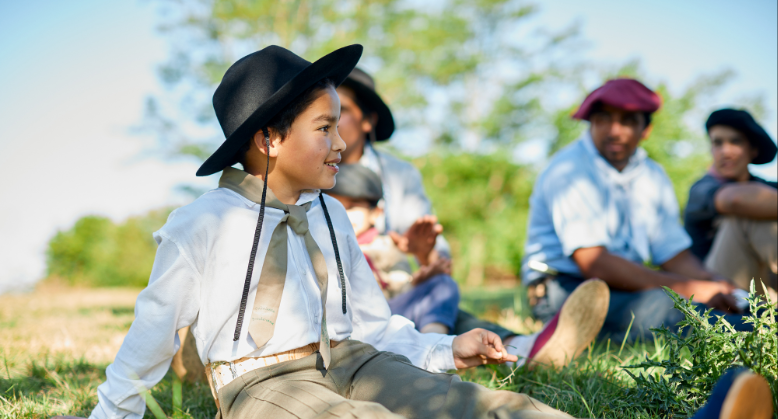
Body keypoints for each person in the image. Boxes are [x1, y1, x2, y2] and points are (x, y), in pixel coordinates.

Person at [51, 47, 774, 419]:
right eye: (325, 127)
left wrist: (442, 347)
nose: (342, 143)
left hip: (358, 353)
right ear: (269, 139)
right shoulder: (201, 223)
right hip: (264, 384)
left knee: (489, 407)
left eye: (342, 125)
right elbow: (147, 336)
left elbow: (374, 322)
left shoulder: (332, 215)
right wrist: (112, 411)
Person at [523, 78, 753, 342]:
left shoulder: (652, 175)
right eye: (603, 119)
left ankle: (757, 322)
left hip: (619, 285)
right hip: (562, 288)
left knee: (698, 302)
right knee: (666, 309)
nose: (614, 131)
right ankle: (753, 333)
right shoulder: (569, 170)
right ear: (591, 123)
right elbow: (594, 263)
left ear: (646, 130)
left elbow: (673, 254)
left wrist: (714, 283)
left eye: (628, 121)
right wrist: (691, 289)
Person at [337, 68, 522, 341]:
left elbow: (437, 260)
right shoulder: (304, 172)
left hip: (395, 302)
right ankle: (514, 346)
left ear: (368, 120)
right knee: (445, 315)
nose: (330, 119)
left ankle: (515, 347)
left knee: (439, 296)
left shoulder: (398, 175)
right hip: (334, 310)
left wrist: (423, 256)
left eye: (341, 109)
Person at [325, 163, 459, 334]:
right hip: (342, 322)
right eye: (334, 206)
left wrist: (413, 284)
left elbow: (400, 285)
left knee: (443, 286)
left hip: (385, 316)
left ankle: (433, 342)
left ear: (376, 213)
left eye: (352, 207)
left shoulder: (385, 246)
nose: (343, 213)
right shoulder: (321, 245)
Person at [684, 109, 777, 296]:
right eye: (717, 143)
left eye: (735, 142)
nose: (725, 151)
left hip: (763, 287)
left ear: (753, 149)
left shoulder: (767, 187)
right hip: (714, 286)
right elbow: (734, 200)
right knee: (746, 215)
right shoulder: (701, 190)